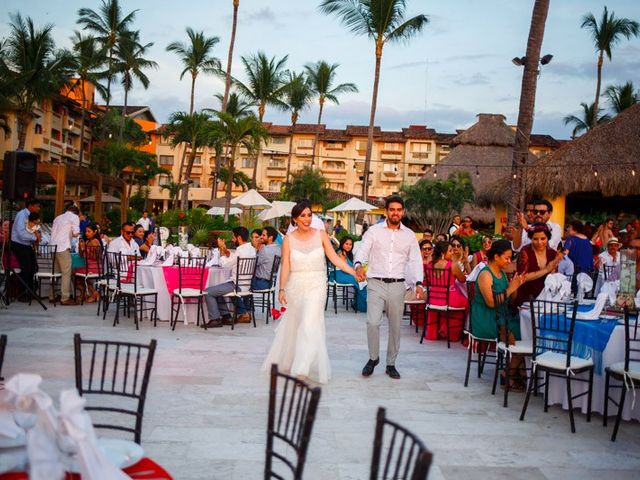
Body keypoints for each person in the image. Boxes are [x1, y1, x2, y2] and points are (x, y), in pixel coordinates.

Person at [262, 200, 356, 384]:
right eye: (302, 215)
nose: (307, 219)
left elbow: (335, 259)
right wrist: (281, 288)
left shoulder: (321, 235)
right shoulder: (288, 239)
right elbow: (286, 264)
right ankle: (293, 359)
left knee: (309, 324)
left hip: (317, 284)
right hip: (295, 285)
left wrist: (354, 272)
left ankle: (301, 369)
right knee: (297, 325)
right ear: (295, 219)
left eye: (309, 214)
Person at [354, 195, 424, 380]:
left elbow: (416, 260)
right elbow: (362, 250)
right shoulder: (374, 231)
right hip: (375, 282)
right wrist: (359, 264)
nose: (395, 213)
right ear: (386, 211)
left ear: (403, 212)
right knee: (373, 322)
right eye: (392, 209)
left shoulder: (409, 235)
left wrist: (418, 283)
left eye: (398, 210)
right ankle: (373, 358)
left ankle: (391, 363)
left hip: (397, 285)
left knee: (395, 326)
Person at [471, 240, 527, 391]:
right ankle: (508, 374)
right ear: (496, 257)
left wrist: (515, 287)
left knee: (526, 333)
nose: (509, 261)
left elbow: (509, 299)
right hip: (486, 318)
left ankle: (517, 372)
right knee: (516, 335)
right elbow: (490, 303)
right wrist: (510, 289)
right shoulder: (485, 275)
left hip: (501, 315)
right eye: (506, 258)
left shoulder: (501, 273)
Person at [204, 227, 256, 327]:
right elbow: (234, 258)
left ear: (239, 238)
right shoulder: (251, 249)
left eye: (233, 237)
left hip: (236, 285)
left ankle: (215, 319)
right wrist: (225, 250)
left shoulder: (240, 252)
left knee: (208, 292)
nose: (232, 239)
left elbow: (224, 264)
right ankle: (226, 316)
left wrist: (221, 250)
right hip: (246, 285)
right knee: (217, 290)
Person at [424, 241, 469, 341]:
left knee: (448, 306)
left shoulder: (430, 265)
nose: (452, 252)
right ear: (443, 253)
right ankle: (449, 330)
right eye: (450, 251)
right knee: (467, 303)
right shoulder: (452, 265)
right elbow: (463, 280)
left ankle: (440, 329)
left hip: (433, 298)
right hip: (448, 298)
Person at [512, 223, 563, 307]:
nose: (539, 242)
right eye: (535, 239)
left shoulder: (552, 253)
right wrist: (546, 270)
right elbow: (521, 278)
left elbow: (552, 278)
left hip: (545, 299)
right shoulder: (525, 251)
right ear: (531, 239)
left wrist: (554, 267)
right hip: (526, 299)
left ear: (548, 238)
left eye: (543, 239)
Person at [49, 205, 81, 305]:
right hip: (63, 247)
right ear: (76, 213)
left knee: (55, 273)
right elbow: (76, 233)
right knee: (66, 272)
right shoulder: (74, 217)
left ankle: (51, 295)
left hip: (53, 247)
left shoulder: (57, 217)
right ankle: (65, 298)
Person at [11, 199, 41, 299]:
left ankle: (31, 292)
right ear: (31, 206)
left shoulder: (30, 215)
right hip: (19, 244)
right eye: (37, 206)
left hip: (26, 244)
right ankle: (22, 294)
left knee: (34, 267)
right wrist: (34, 238)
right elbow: (21, 233)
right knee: (26, 268)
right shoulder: (22, 215)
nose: (38, 209)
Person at [333, 236, 367, 312]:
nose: (348, 246)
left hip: (347, 273)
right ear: (342, 244)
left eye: (350, 244)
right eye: (346, 244)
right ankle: (364, 304)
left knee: (362, 280)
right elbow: (344, 268)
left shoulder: (348, 253)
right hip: (339, 274)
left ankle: (360, 304)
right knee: (359, 280)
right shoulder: (340, 252)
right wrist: (356, 274)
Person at [74, 222, 102, 303]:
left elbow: (95, 257)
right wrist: (81, 246)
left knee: (75, 273)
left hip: (94, 265)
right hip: (88, 264)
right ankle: (90, 293)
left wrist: (84, 248)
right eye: (86, 231)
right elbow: (81, 255)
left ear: (95, 232)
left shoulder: (95, 241)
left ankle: (88, 293)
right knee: (75, 273)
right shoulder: (87, 241)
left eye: (89, 231)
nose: (86, 233)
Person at [409, 239, 433, 328]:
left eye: (429, 249)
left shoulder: (435, 262)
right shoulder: (416, 262)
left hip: (431, 286)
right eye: (424, 249)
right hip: (420, 286)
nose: (427, 251)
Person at [252, 226, 281, 291]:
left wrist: (256, 247)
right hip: (271, 283)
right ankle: (250, 301)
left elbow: (253, 264)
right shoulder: (279, 249)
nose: (261, 237)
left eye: (263, 235)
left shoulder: (265, 250)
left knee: (240, 285)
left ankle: (245, 301)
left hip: (260, 283)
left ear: (270, 237)